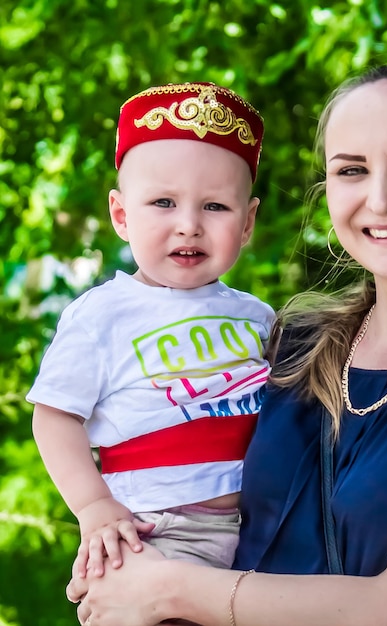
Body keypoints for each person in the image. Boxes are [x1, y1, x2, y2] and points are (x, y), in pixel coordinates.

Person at [67, 62, 387, 626]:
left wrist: (166, 588)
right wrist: (112, 535)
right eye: (352, 170)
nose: (381, 198)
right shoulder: (288, 343)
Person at [27, 81, 275, 575]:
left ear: (247, 224)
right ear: (121, 215)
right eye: (163, 203)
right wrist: (94, 506)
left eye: (215, 206)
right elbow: (55, 417)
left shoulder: (258, 318)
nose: (188, 225)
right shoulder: (103, 316)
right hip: (152, 528)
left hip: (260, 524)